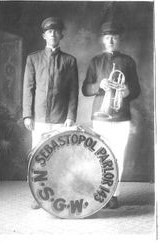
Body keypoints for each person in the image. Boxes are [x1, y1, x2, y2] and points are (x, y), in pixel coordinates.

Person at [82, 20, 141, 209]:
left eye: (114, 36)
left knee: (118, 156)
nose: (111, 40)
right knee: (99, 156)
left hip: (121, 116)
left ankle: (113, 194)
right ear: (102, 39)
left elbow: (137, 90)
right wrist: (98, 85)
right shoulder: (96, 61)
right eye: (107, 36)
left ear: (119, 38)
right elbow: (85, 89)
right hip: (100, 117)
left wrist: (127, 92)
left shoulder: (128, 61)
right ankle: (100, 192)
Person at [23, 17, 79, 208]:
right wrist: (27, 115)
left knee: (59, 157)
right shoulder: (33, 59)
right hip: (38, 118)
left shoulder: (69, 61)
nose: (53, 34)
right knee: (37, 157)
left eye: (56, 31)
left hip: (60, 118)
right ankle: (38, 196)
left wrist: (71, 116)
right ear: (44, 35)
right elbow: (28, 89)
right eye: (49, 31)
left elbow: (73, 92)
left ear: (61, 35)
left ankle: (58, 194)